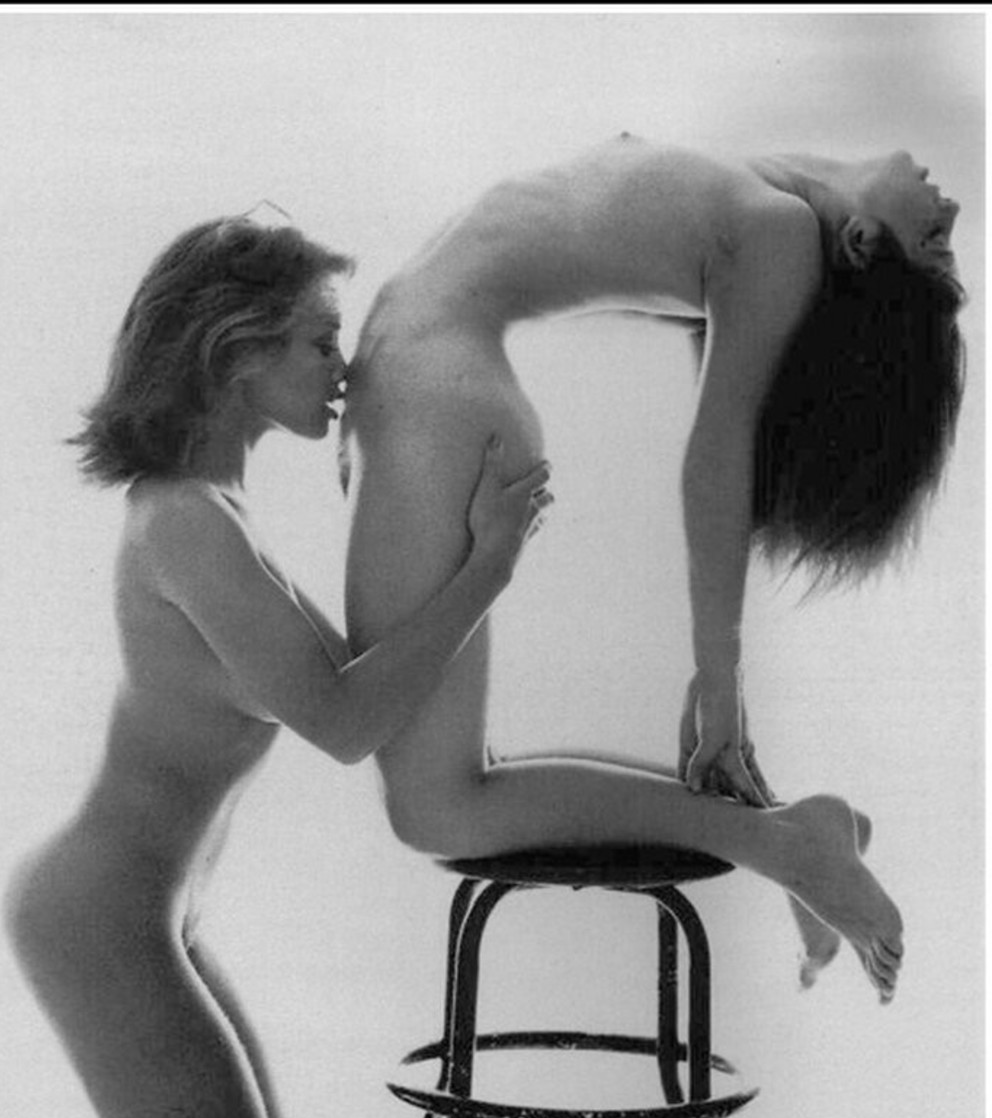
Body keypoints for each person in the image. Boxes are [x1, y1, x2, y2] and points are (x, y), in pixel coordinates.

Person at [0, 217, 551, 1118]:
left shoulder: (212, 511)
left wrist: (439, 515)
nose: (344, 368)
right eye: (319, 341)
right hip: (101, 915)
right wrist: (488, 566)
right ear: (234, 352)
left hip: (141, 908)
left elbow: (354, 678)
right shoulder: (189, 525)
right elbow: (345, 721)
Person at [344, 136, 965, 1005]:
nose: (953, 209)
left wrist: (720, 680)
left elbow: (718, 458)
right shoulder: (772, 193)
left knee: (434, 806)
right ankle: (790, 838)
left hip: (433, 379)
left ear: (862, 243)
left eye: (935, 239)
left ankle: (786, 846)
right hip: (430, 370)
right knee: (436, 799)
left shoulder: (779, 229)